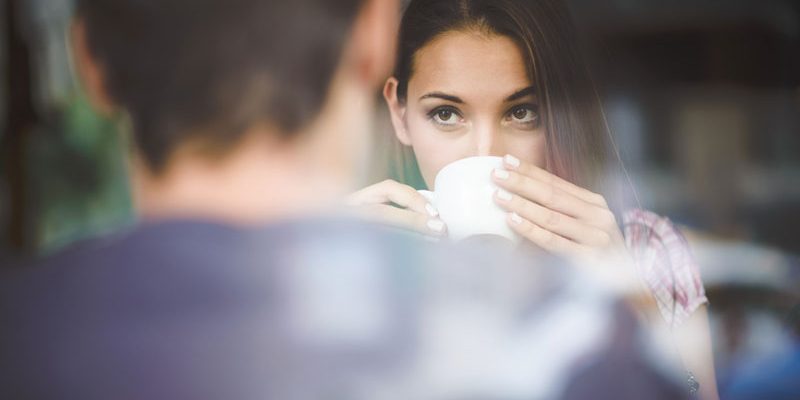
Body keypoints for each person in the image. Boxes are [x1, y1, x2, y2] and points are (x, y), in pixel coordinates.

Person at [346, 0, 718, 398]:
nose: (484, 153)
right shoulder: (361, 265)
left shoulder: (647, 251)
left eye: (522, 112)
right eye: (446, 114)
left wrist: (623, 302)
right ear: (400, 114)